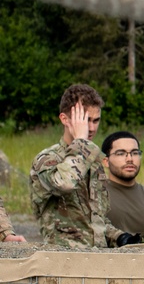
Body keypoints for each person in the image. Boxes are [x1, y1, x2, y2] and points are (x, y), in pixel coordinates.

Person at [29, 84, 129, 248]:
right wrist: (81, 142)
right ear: (64, 119)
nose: (90, 128)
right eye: (84, 120)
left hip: (95, 260)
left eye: (95, 120)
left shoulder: (93, 161)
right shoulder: (47, 159)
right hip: (63, 261)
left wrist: (120, 237)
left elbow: (96, 219)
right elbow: (65, 183)